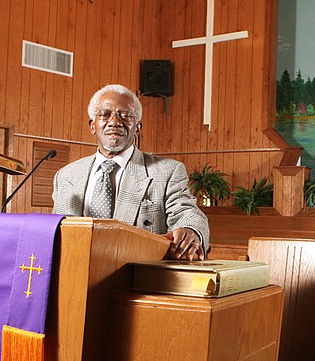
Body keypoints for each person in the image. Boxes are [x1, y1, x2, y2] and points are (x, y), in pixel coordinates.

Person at [52, 83, 209, 260]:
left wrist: (191, 229)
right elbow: (55, 232)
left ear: (137, 128)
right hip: (74, 272)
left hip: (134, 276)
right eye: (105, 114)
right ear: (92, 125)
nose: (115, 122)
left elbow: (187, 212)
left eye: (125, 116)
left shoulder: (167, 171)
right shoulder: (66, 176)